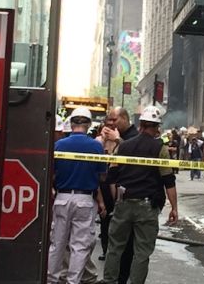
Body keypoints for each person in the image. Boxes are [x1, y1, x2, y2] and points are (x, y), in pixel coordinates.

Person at [100, 106, 178, 284]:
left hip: (124, 203)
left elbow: (111, 176)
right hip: (147, 206)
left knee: (115, 247)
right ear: (157, 127)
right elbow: (168, 181)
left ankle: (109, 280)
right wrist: (174, 208)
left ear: (141, 125)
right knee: (142, 252)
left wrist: (115, 200)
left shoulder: (123, 146)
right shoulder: (160, 148)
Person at [47, 107, 107, 284]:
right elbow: (102, 176)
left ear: (71, 124)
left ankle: (51, 280)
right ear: (88, 124)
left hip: (62, 198)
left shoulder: (59, 146)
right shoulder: (96, 147)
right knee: (79, 246)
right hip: (85, 200)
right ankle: (73, 281)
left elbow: (51, 174)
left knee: (57, 243)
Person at [99, 107, 137, 283]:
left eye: (114, 120)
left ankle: (122, 278)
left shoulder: (133, 136)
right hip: (112, 191)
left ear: (124, 118)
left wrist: (118, 140)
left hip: (128, 195)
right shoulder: (114, 137)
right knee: (111, 235)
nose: (111, 124)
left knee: (126, 243)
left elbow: (134, 154)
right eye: (109, 121)